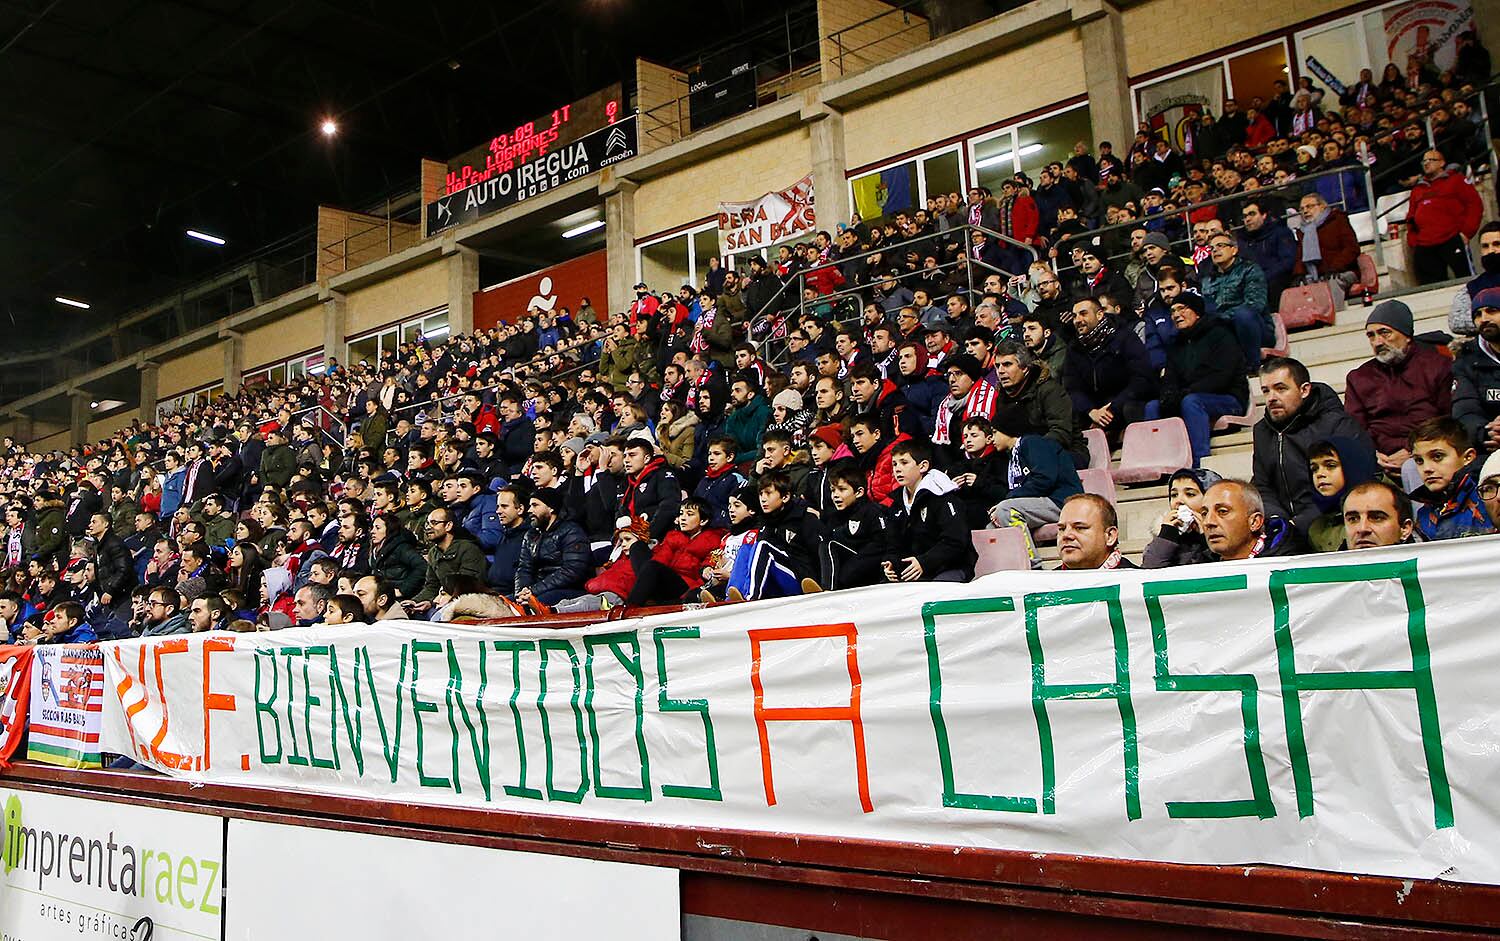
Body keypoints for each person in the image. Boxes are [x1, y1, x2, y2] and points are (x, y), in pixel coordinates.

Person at [1251, 356, 1372, 536]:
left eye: (1280, 389)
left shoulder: (1336, 424)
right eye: (1266, 391)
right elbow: (1262, 485)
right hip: (1283, 527)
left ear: (1305, 390)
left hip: (1332, 521)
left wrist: (1300, 523)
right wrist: (1278, 520)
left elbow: (1357, 480)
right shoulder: (1261, 431)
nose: (1271, 398)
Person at [1343, 300, 1452, 478]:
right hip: (1379, 462)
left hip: (1429, 453)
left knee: (1413, 469)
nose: (1377, 342)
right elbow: (1354, 429)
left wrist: (1413, 452)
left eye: (1385, 333)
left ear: (1407, 335)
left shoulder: (1437, 366)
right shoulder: (1359, 377)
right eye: (1371, 335)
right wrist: (1373, 455)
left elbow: (1448, 420)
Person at [1147, 292, 1247, 466]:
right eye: (1172, 311)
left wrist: (1186, 392)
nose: (1176, 315)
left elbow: (1222, 376)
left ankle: (1199, 463)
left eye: (1181, 309)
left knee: (1191, 402)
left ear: (1197, 312)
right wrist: (1169, 396)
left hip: (1228, 397)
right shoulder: (1176, 344)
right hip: (1190, 395)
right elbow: (1170, 377)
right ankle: (1160, 463)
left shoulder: (1220, 334)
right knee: (1153, 406)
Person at [1062, 297, 1153, 442]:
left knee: (1132, 409)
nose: (1077, 320)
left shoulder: (1125, 337)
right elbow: (1072, 388)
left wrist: (1112, 407)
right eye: (1074, 316)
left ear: (1099, 314)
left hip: (1123, 402)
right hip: (1093, 409)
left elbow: (1141, 378)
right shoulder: (1074, 348)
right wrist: (1090, 411)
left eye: (1083, 313)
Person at [882, 439, 974, 583]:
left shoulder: (943, 496)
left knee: (932, 594)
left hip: (952, 568)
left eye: (904, 463)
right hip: (916, 572)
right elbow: (893, 543)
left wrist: (924, 562)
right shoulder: (897, 504)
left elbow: (955, 542)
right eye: (894, 464)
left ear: (923, 466)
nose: (897, 469)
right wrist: (891, 562)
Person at [1409, 417, 1494, 540]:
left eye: (1437, 456)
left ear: (1468, 457)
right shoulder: (1423, 514)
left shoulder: (1488, 497)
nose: (1426, 468)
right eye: (1419, 460)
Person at [1407, 148, 1482, 285]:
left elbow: (1475, 205)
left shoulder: (1457, 181)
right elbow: (1411, 218)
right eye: (1424, 161)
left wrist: (1466, 232)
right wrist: (1414, 241)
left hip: (1452, 238)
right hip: (1425, 244)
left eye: (1431, 160)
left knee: (1466, 281)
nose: (1426, 163)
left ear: (1442, 163)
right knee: (1430, 286)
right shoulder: (1417, 189)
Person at [1200, 232, 1271, 371]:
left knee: (1243, 314)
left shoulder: (1250, 269)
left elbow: (1255, 305)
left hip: (1255, 329)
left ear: (1234, 249)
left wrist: (1222, 319)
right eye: (1212, 248)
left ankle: (1253, 365)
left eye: (1220, 246)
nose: (1215, 250)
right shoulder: (1207, 280)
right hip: (1224, 331)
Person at [1188, 479, 1305, 563]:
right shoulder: (1197, 566)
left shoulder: (1292, 565)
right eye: (1204, 513)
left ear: (1254, 522)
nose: (1208, 522)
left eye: (1223, 511)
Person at [817, 462, 891, 591]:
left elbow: (880, 545)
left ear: (859, 492)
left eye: (842, 489)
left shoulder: (872, 512)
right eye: (833, 490)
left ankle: (828, 591)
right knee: (825, 543)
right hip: (845, 575)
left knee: (828, 545)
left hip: (869, 573)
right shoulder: (833, 517)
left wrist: (846, 574)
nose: (835, 495)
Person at [514, 488, 591, 608]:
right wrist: (521, 592)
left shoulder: (572, 531)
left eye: (535, 505)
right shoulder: (530, 535)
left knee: (533, 605)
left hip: (568, 590)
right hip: (537, 590)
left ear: (551, 508)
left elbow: (572, 571)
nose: (529, 510)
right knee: (503, 604)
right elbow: (524, 568)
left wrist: (534, 591)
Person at [1304, 437, 1381, 552]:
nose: (1320, 474)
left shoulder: (1387, 506)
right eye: (1314, 469)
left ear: (1352, 467)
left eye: (1330, 466)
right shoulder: (1317, 528)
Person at [410, 507, 487, 612]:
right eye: (427, 524)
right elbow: (432, 586)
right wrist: (415, 602)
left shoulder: (468, 549)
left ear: (448, 526)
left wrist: (441, 600)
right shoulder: (433, 552)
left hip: (470, 603)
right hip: (444, 602)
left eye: (434, 523)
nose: (428, 527)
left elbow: (469, 585)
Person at [1453, 287, 1500, 455]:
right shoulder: (1466, 361)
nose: (1484, 319)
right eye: (1477, 315)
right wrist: (1488, 434)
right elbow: (1465, 413)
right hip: (1492, 449)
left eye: (1492, 311)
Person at [1055, 494, 1134, 570]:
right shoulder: (1045, 581)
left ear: (1110, 536)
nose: (1066, 535)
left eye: (1079, 528)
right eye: (1062, 529)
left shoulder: (1138, 580)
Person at [1342, 481, 1418, 550]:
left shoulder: (1426, 563)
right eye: (1353, 519)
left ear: (1405, 529)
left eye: (1376, 518)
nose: (1362, 529)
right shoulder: (1331, 563)